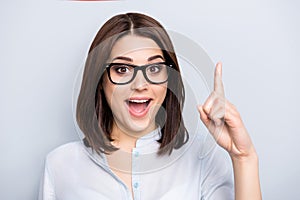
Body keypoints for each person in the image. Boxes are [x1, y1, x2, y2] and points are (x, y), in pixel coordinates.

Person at [39, 12, 261, 200]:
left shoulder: (202, 158)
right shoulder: (60, 164)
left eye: (154, 69)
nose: (140, 85)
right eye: (122, 69)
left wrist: (244, 158)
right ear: (100, 81)